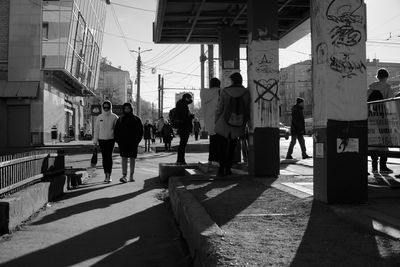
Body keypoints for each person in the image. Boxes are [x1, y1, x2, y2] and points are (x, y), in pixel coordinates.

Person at [214, 72, 250, 177]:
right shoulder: (246, 92)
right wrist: (245, 123)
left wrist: (216, 121)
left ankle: (221, 170)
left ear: (233, 81)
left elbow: (219, 109)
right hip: (238, 125)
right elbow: (247, 110)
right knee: (232, 147)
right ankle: (228, 169)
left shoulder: (225, 91)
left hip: (224, 124)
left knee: (222, 147)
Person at [368, 68, 393, 173]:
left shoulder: (370, 89)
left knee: (373, 143)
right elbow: (391, 104)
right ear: (386, 77)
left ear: (377, 77)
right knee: (384, 142)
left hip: (371, 119)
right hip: (383, 119)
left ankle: (374, 166)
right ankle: (383, 166)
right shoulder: (388, 88)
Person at [114, 103, 143, 183]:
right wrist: (118, 141)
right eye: (125, 108)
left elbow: (140, 131)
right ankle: (124, 176)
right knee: (124, 158)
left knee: (132, 158)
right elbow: (116, 131)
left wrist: (137, 141)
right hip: (123, 143)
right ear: (123, 109)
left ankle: (131, 175)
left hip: (133, 143)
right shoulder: (120, 119)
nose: (127, 109)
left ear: (131, 109)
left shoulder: (137, 119)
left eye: (128, 108)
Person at [93, 100, 118, 183]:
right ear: (102, 107)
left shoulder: (114, 117)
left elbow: (117, 130)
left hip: (111, 140)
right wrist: (95, 141)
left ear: (110, 107)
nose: (106, 108)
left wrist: (118, 141)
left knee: (109, 156)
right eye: (104, 107)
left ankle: (109, 174)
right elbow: (96, 130)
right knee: (104, 157)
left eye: (108, 107)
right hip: (101, 140)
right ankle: (106, 174)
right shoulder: (99, 117)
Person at [201, 77, 221, 163]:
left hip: (209, 121)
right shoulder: (220, 92)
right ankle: (217, 160)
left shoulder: (205, 93)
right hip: (218, 120)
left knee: (212, 141)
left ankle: (211, 160)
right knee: (219, 142)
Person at [175, 93, 194, 164]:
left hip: (182, 126)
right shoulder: (183, 105)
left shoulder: (180, 104)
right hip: (185, 126)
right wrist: (191, 116)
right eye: (190, 98)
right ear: (186, 98)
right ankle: (181, 160)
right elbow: (185, 117)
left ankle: (180, 160)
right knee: (183, 144)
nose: (191, 99)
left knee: (182, 144)